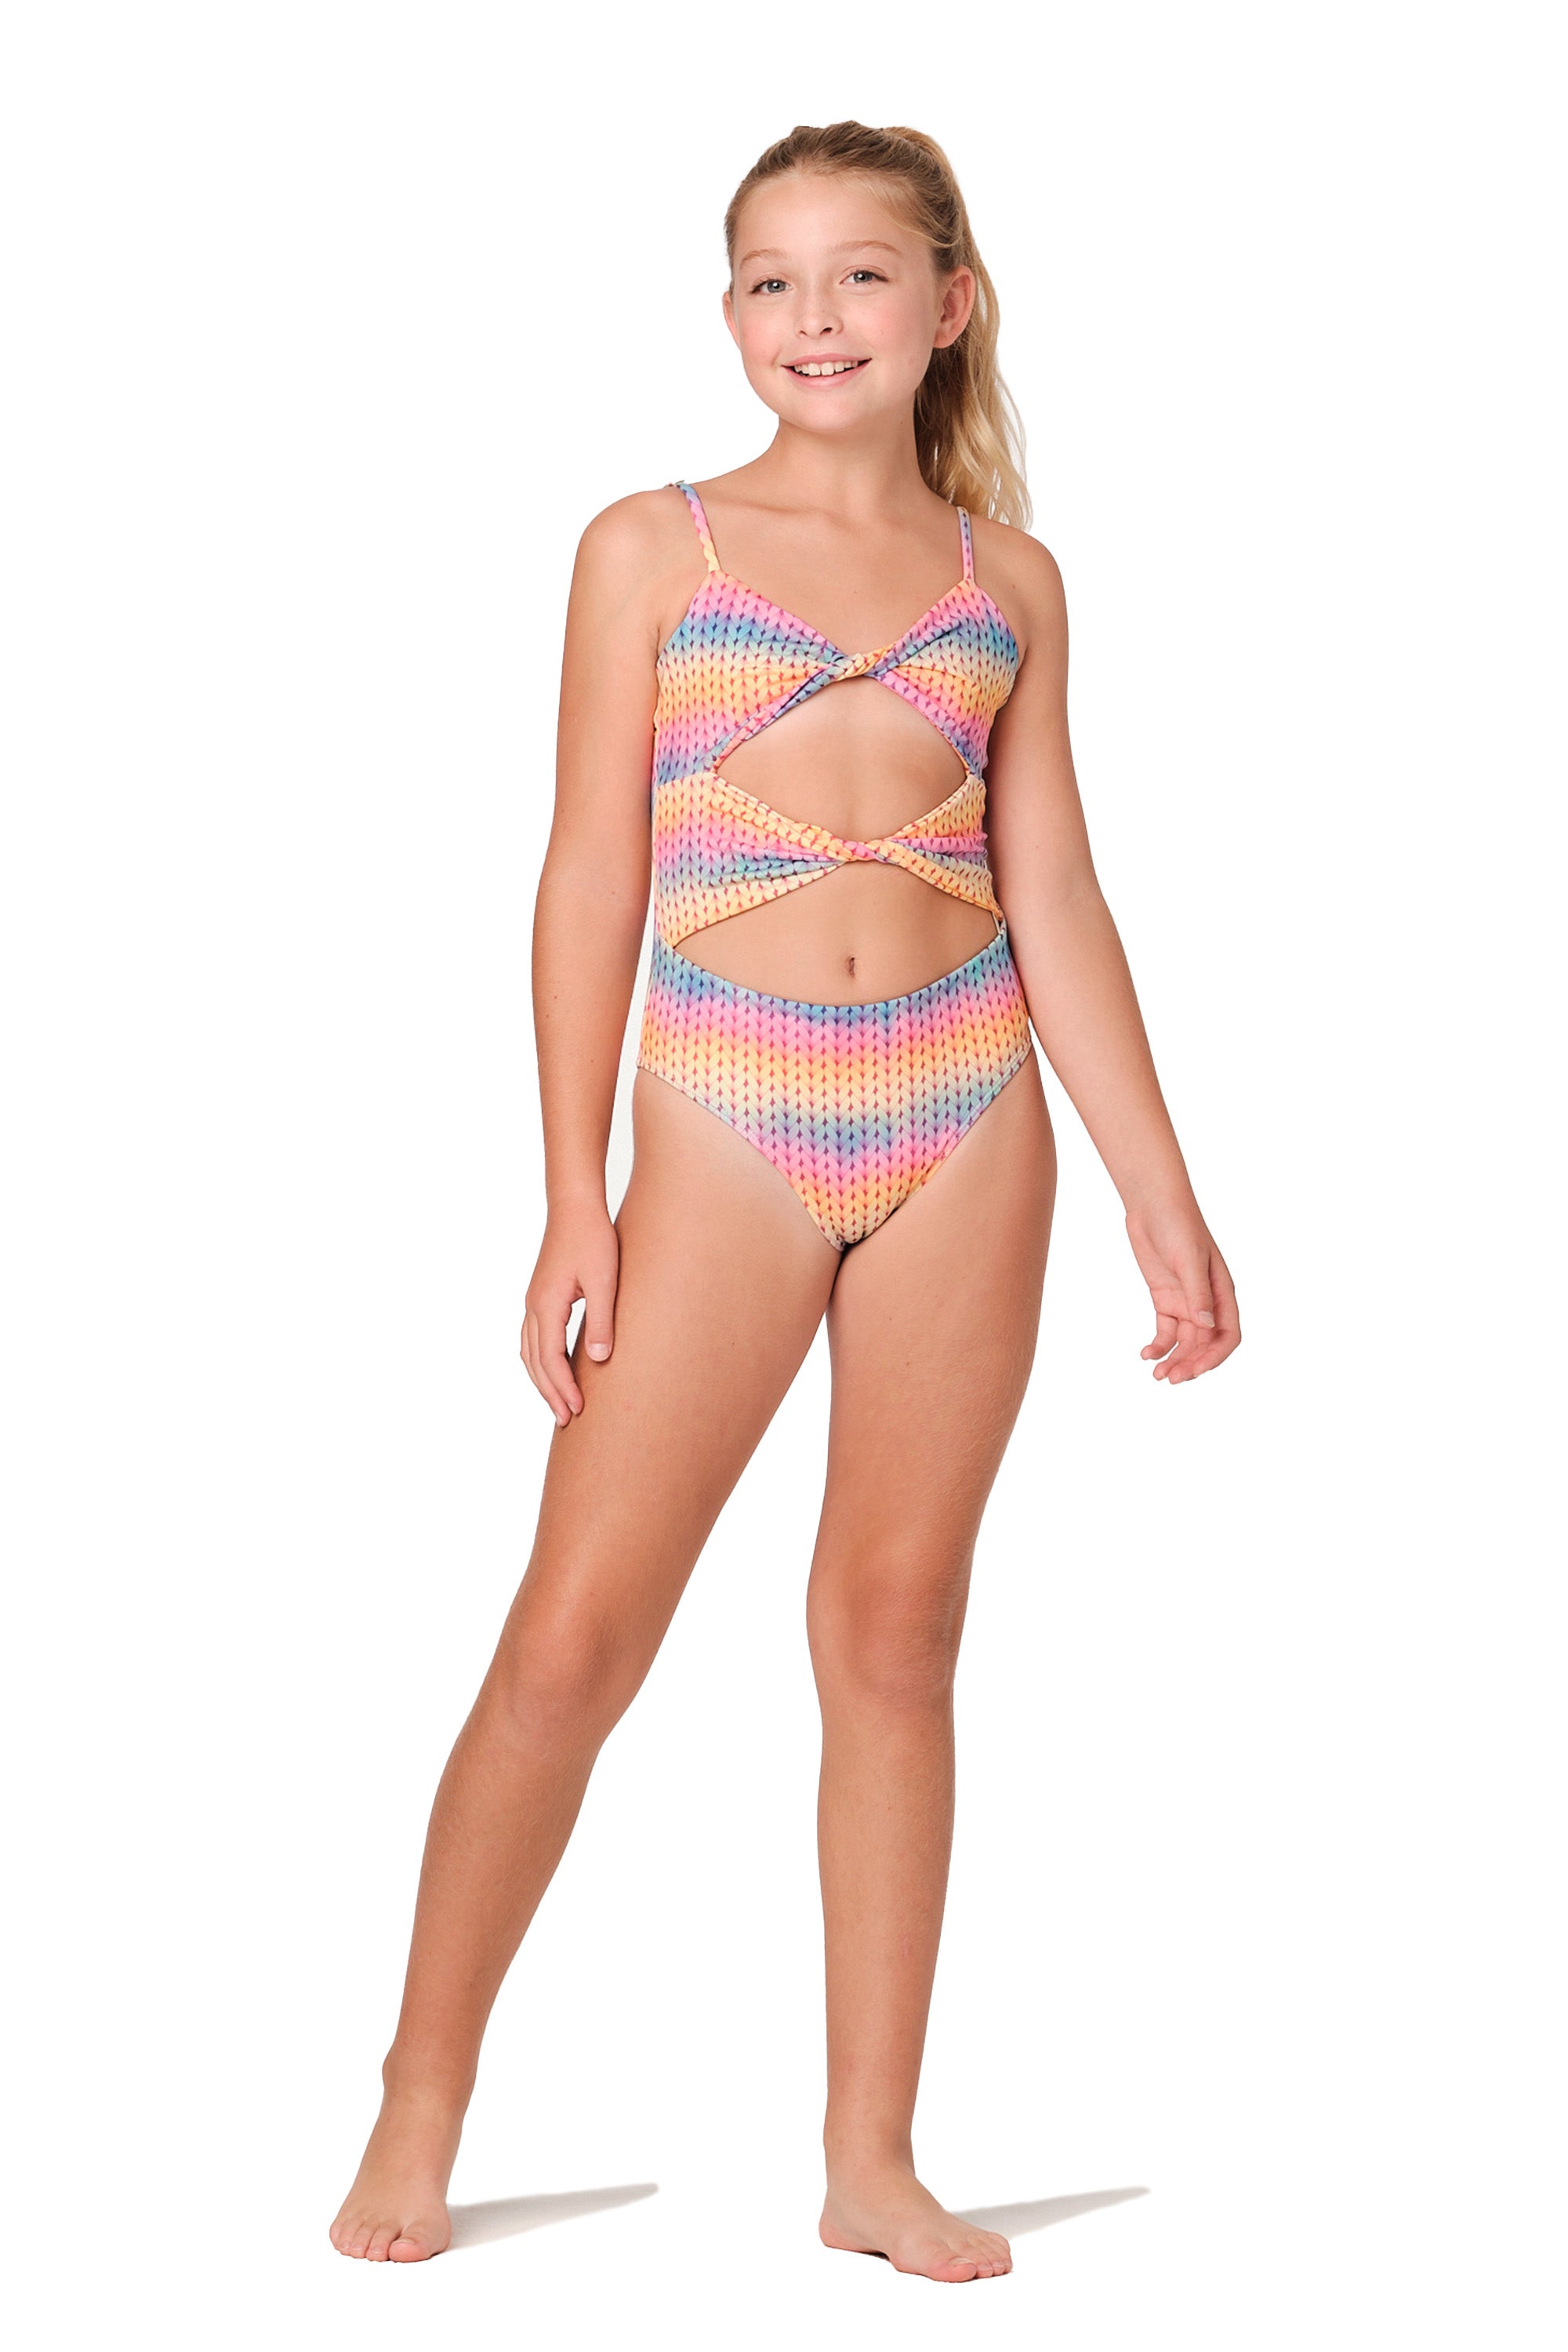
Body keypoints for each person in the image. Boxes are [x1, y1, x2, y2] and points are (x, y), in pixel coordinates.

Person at [330, 118, 1240, 2283]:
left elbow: (1056, 892)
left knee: (896, 1629)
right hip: (725, 1110)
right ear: (728, 312)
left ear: (950, 305)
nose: (812, 317)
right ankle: (420, 2097)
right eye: (769, 279)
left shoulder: (1010, 581)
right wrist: (573, 1192)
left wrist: (1162, 1191)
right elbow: (587, 873)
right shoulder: (650, 548)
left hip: (966, 1115)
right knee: (576, 1633)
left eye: (858, 275)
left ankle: (871, 2157)